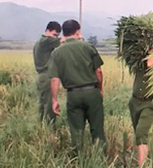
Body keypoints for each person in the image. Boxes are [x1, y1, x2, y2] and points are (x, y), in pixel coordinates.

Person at [49, 19, 105, 153]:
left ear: (63, 32)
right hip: (92, 92)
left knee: (76, 131)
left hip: (73, 94)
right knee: (97, 129)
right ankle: (100, 161)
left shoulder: (56, 52)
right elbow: (98, 71)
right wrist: (100, 89)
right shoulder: (87, 47)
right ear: (78, 31)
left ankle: (79, 162)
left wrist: (54, 100)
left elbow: (54, 79)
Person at [129, 50, 153, 168]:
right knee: (138, 134)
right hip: (135, 101)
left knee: (141, 133)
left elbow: (152, 66)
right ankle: (142, 162)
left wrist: (152, 54)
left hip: (150, 102)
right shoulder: (138, 58)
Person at [33, 21, 61, 122]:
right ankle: (50, 130)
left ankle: (42, 128)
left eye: (56, 36)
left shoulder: (40, 42)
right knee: (49, 105)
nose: (54, 38)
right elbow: (64, 41)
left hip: (42, 77)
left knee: (42, 104)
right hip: (47, 76)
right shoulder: (45, 41)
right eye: (54, 34)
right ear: (47, 31)